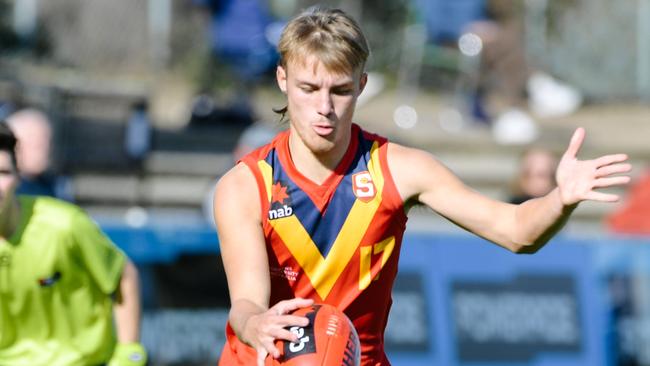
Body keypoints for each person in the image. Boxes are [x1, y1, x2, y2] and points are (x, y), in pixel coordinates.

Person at [212, 7, 631, 366]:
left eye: (340, 90)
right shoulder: (246, 185)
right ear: (283, 79)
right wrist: (257, 324)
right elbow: (246, 303)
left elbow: (516, 231)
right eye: (309, 88)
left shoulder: (399, 169)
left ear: (361, 85)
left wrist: (561, 199)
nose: (324, 108)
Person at [0, 123, 146, 365]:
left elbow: (123, 275)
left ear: (18, 178)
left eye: (2, 173)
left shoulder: (65, 225)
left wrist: (129, 354)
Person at [6, 108, 72, 200]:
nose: (46, 148)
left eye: (47, 141)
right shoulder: (7, 191)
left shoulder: (55, 185)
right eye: (37, 144)